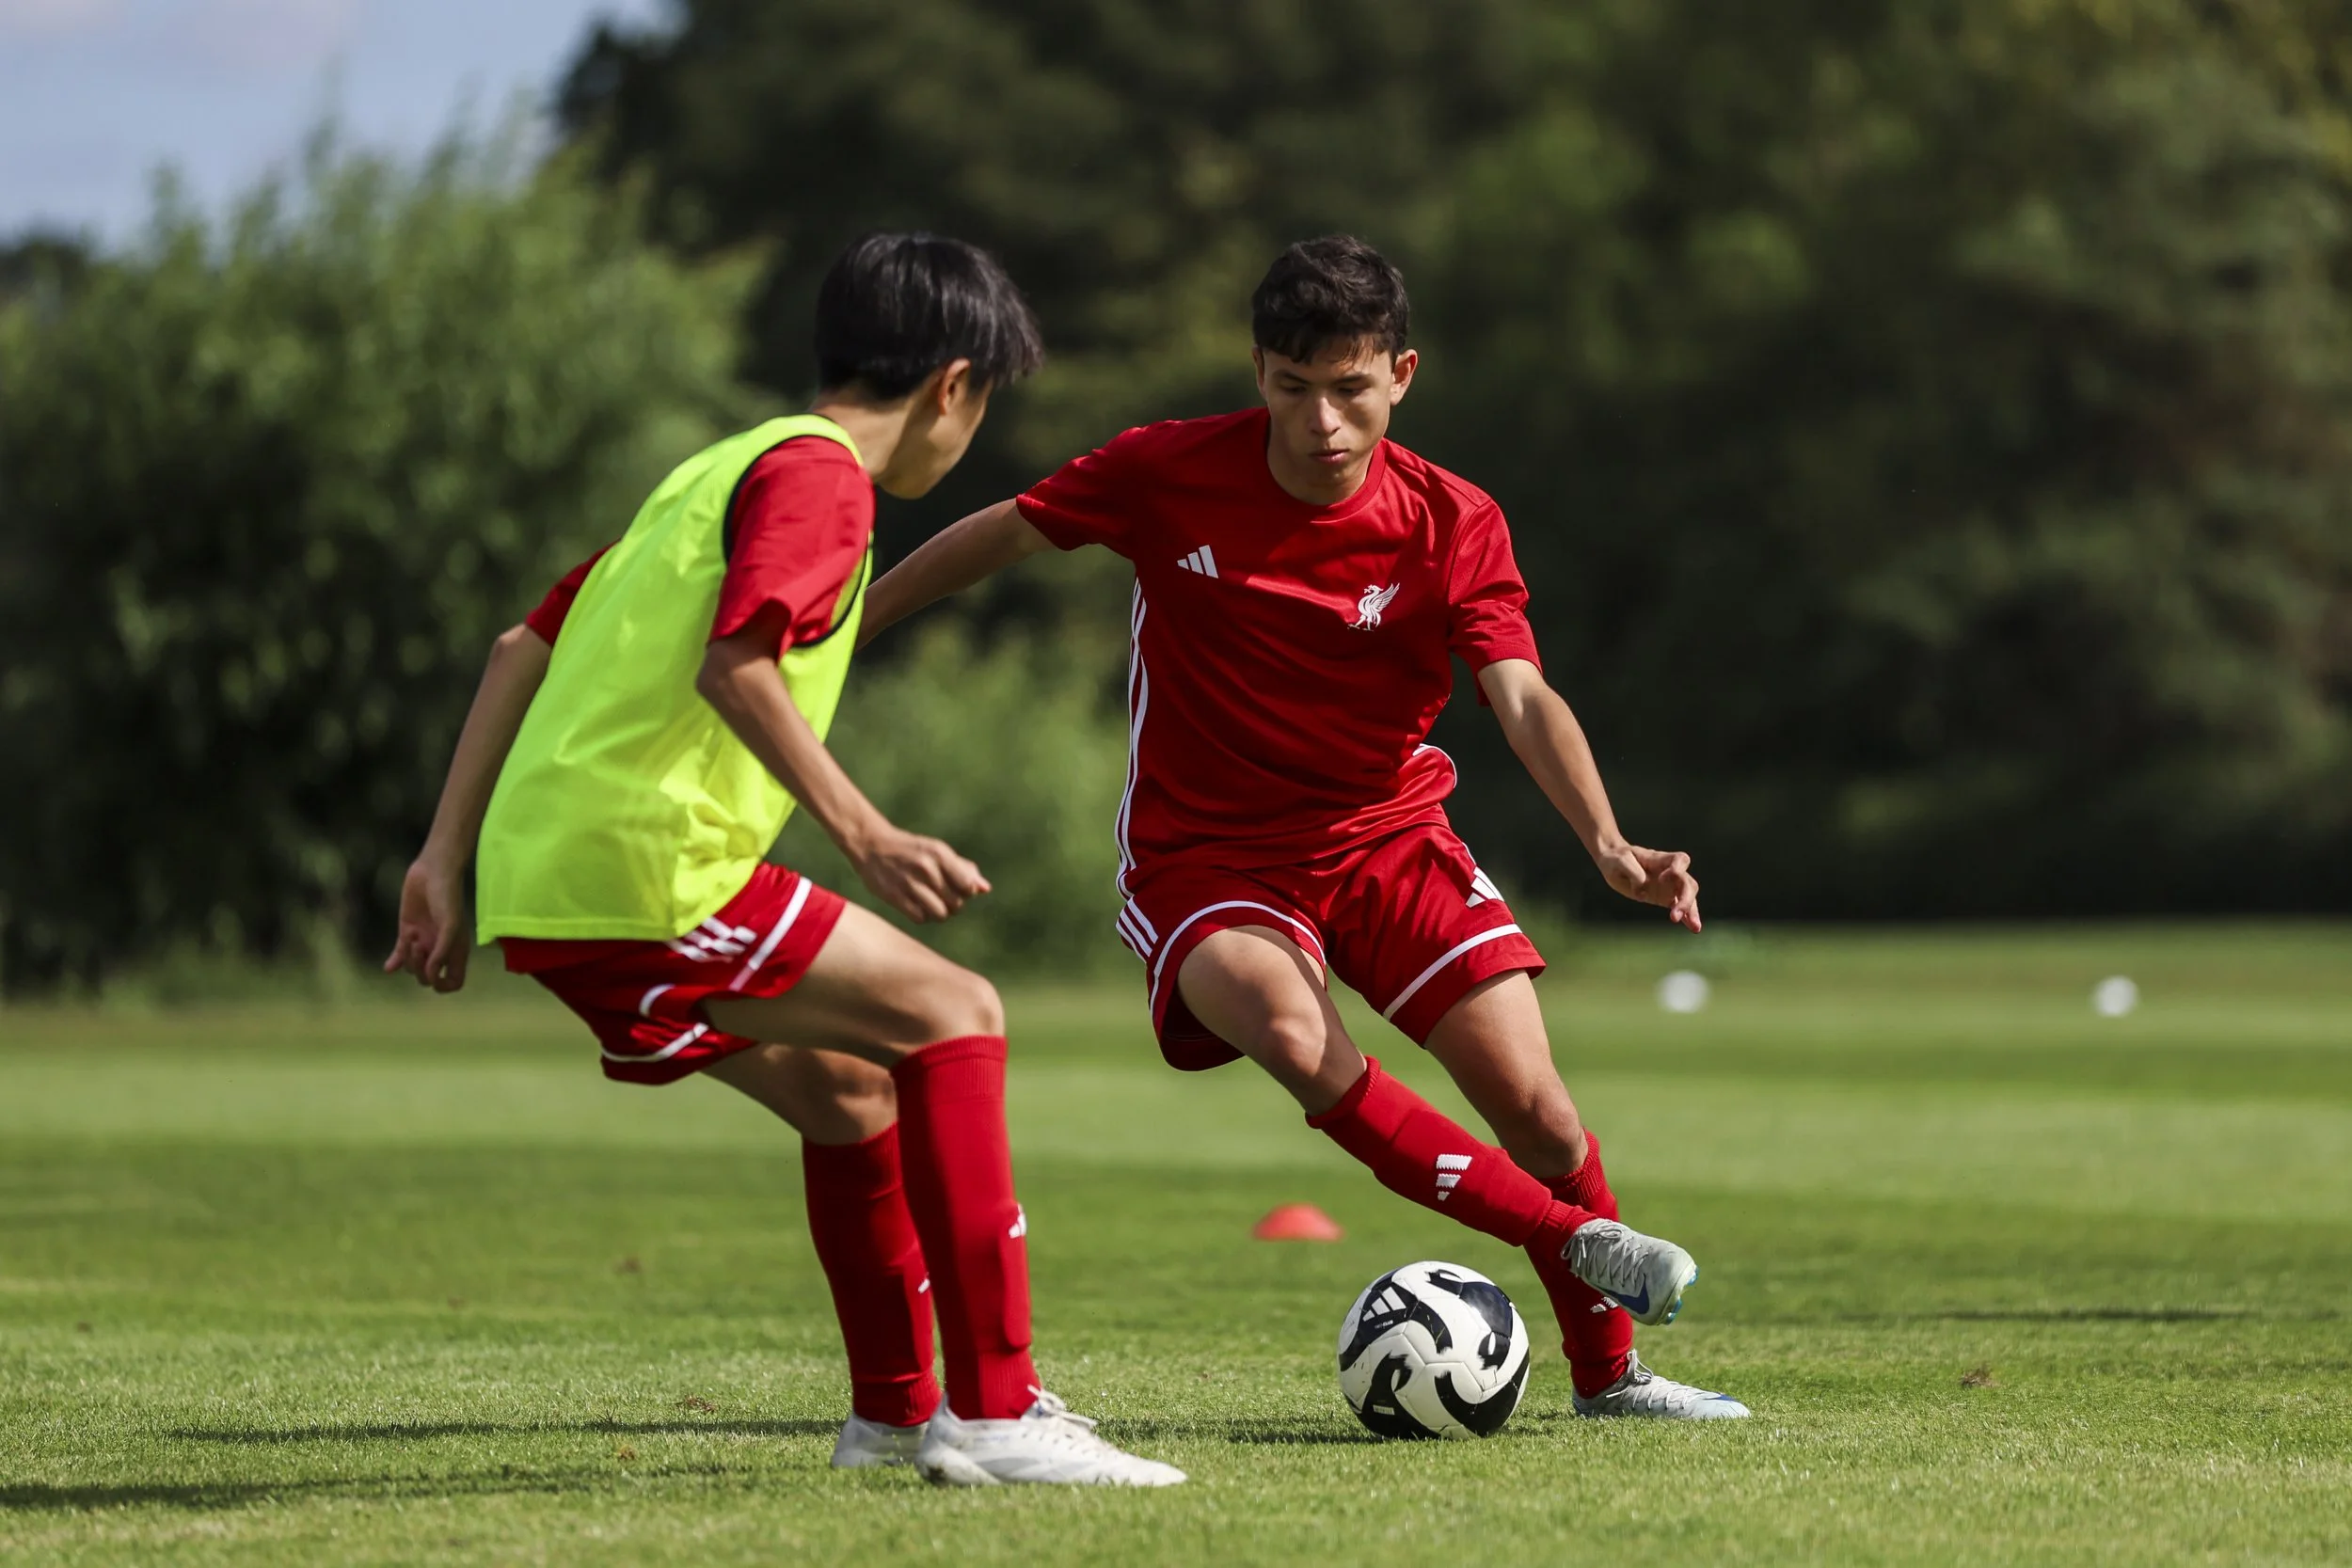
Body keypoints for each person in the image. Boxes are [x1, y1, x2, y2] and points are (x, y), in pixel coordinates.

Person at [858, 235, 1749, 1420]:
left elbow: (1521, 693)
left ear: (1401, 375)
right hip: (1206, 857)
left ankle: (1610, 1377)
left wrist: (1607, 841)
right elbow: (1002, 531)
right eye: (1292, 386)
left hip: (1388, 837)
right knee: (1290, 1027)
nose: (1321, 420)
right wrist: (847, 625)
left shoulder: (1452, 519)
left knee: (1539, 1110)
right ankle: (1570, 1237)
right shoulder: (1166, 471)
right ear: (1257, 372)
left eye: (1348, 387)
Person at [382, 232, 1184, 1485]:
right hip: (649, 865)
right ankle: (997, 1412)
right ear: (952, 387)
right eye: (982, 405)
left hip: (556, 876)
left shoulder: (721, 468)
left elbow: (517, 645)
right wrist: (869, 832)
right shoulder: (824, 484)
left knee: (849, 1090)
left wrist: (442, 856)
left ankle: (892, 1418)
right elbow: (737, 665)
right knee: (957, 1011)